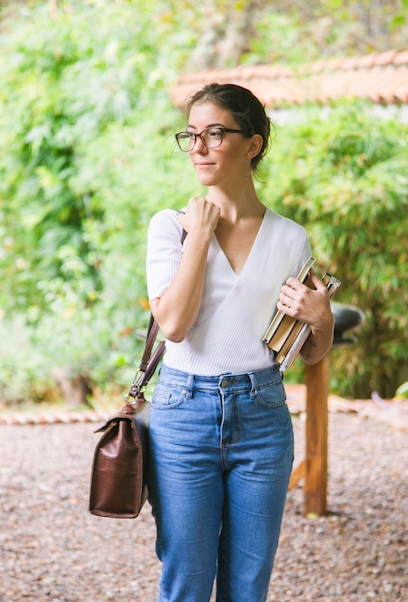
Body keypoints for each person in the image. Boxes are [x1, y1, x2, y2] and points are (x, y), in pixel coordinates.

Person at [146, 83, 334, 602]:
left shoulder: (290, 239)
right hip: (183, 415)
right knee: (185, 579)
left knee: (248, 586)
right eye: (191, 135)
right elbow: (174, 326)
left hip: (262, 416)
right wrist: (200, 236)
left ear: (252, 144)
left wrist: (324, 322)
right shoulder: (170, 227)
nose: (199, 147)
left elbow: (298, 352)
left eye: (215, 133)